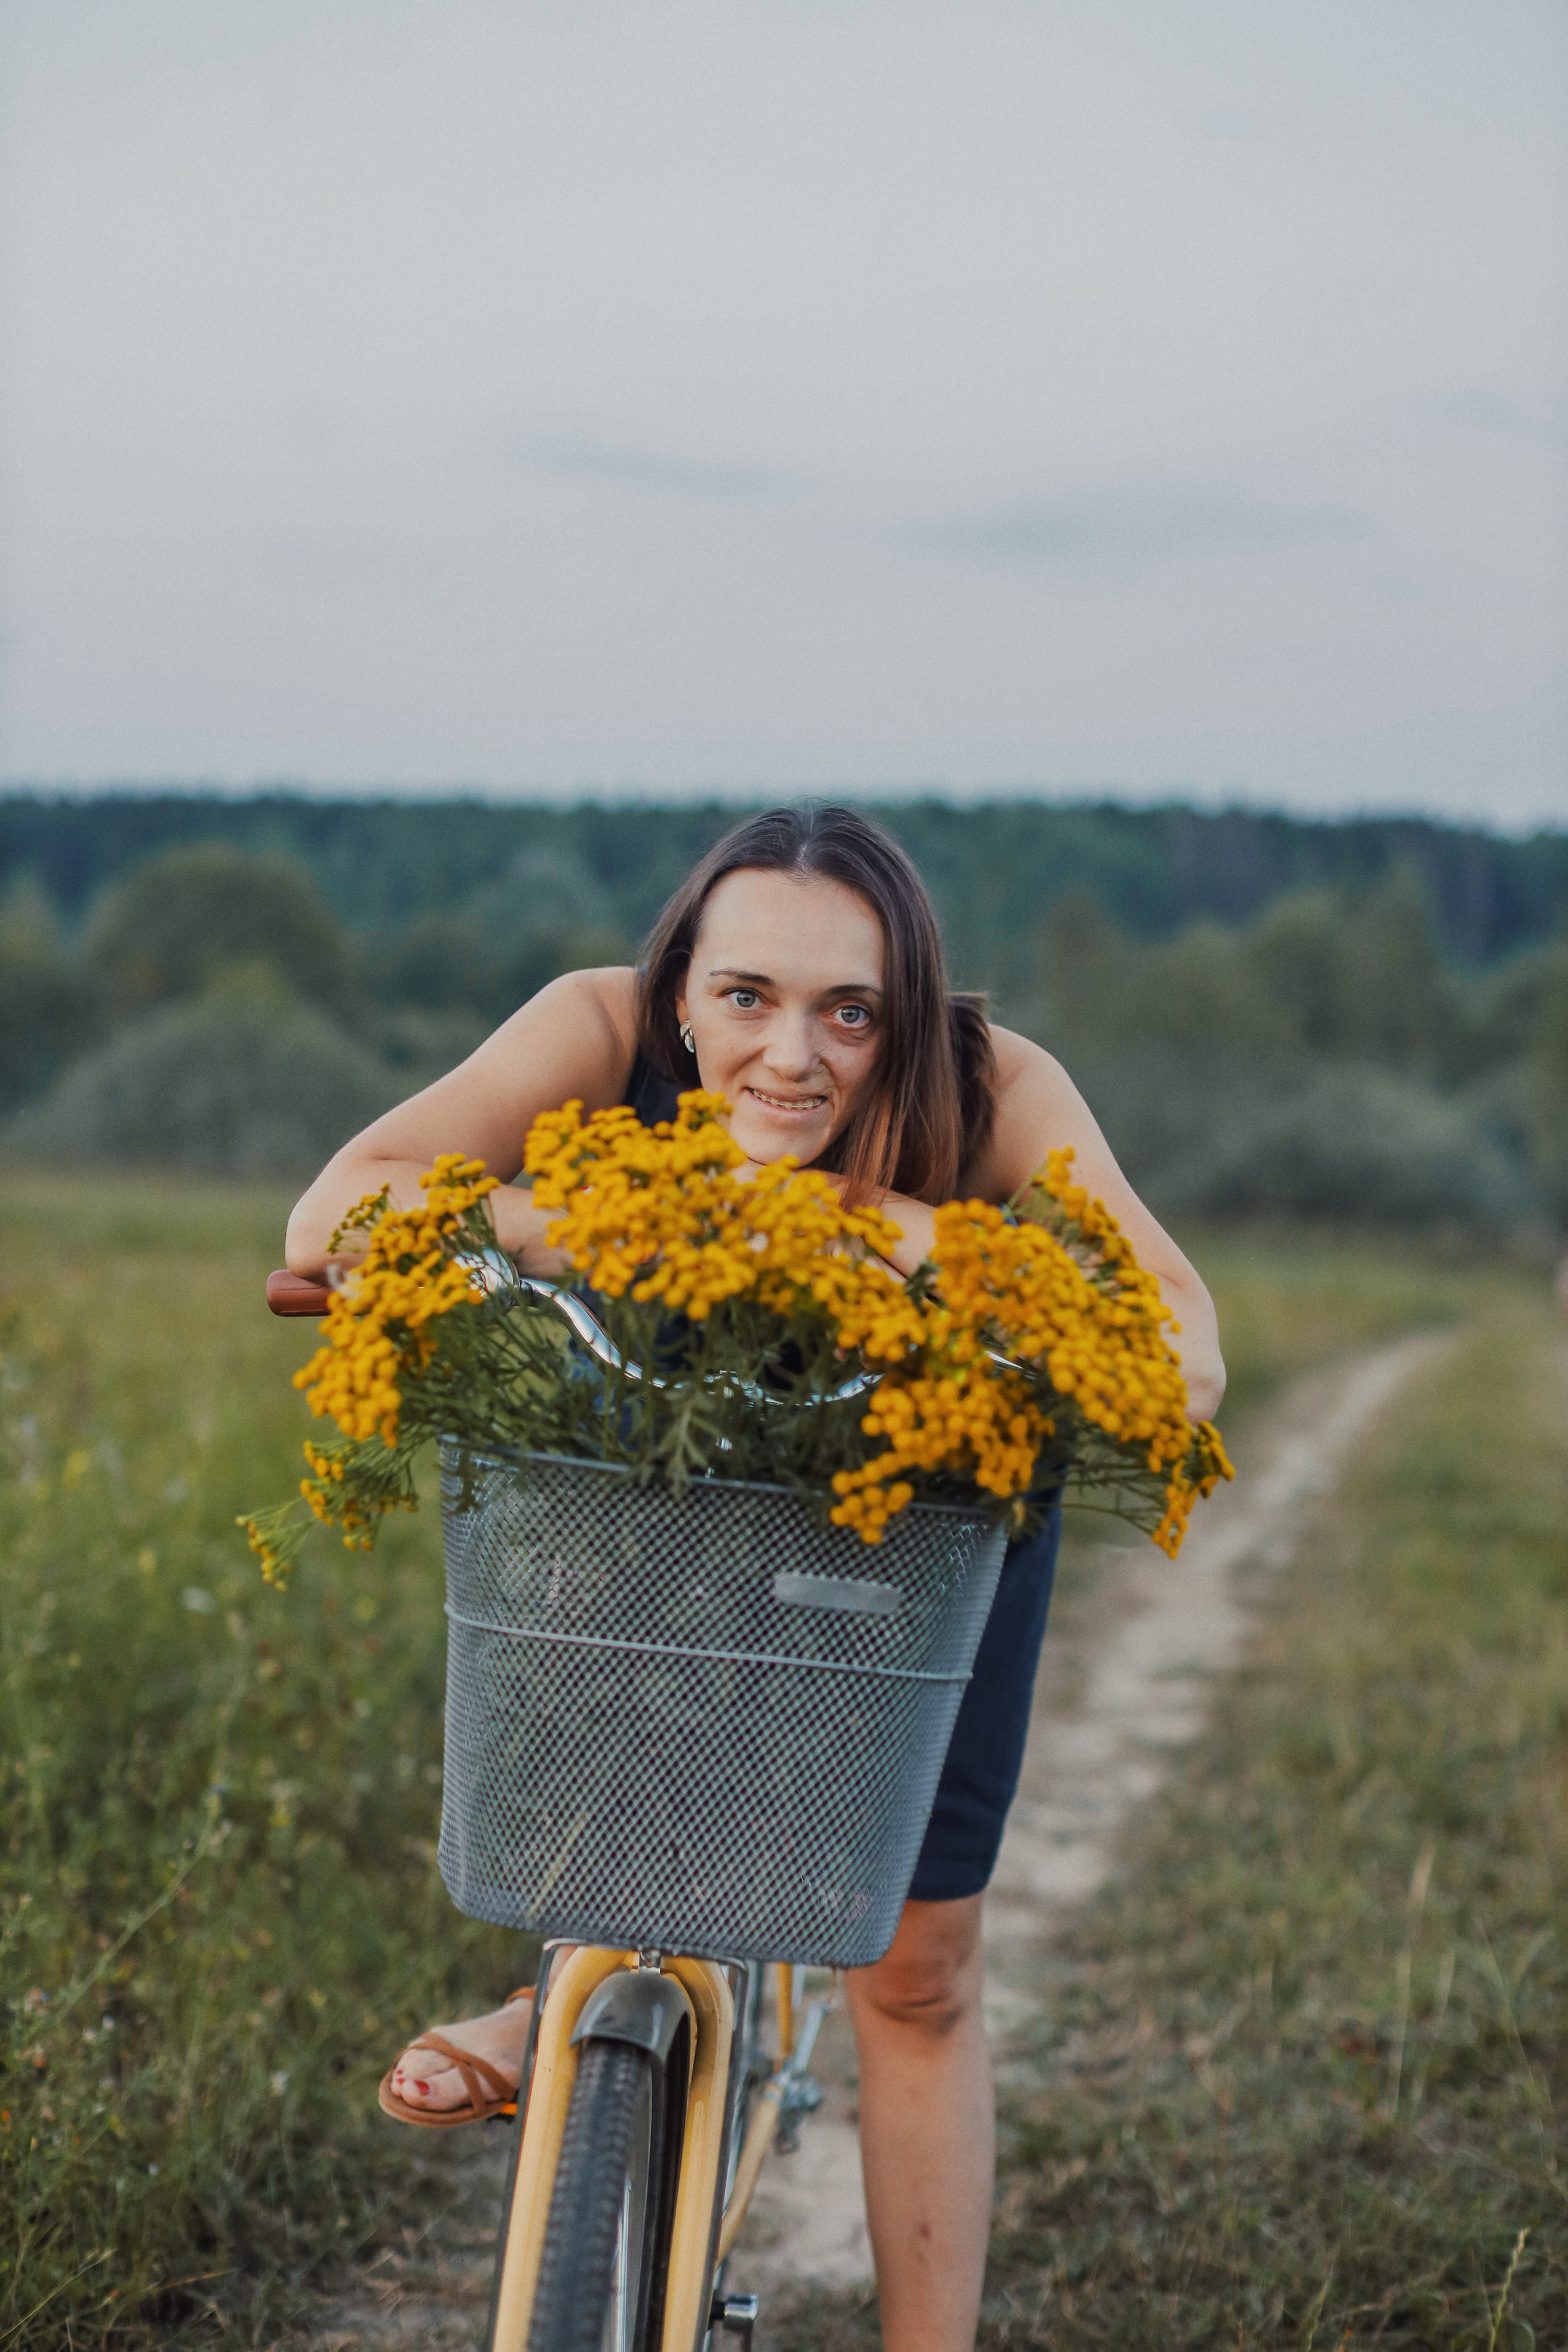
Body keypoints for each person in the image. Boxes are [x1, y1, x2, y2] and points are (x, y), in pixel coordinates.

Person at [286, 804, 1224, 2352]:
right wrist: (597, 1220)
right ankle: (570, 1989)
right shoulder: (593, 1026)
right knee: (604, 1708)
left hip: (919, 1497)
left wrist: (905, 1229)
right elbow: (337, 1212)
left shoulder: (993, 1090)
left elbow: (1178, 1355)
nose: (791, 1055)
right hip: (663, 1471)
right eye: (746, 1000)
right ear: (677, 995)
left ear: (903, 1014)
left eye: (847, 1011)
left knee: (915, 1971)